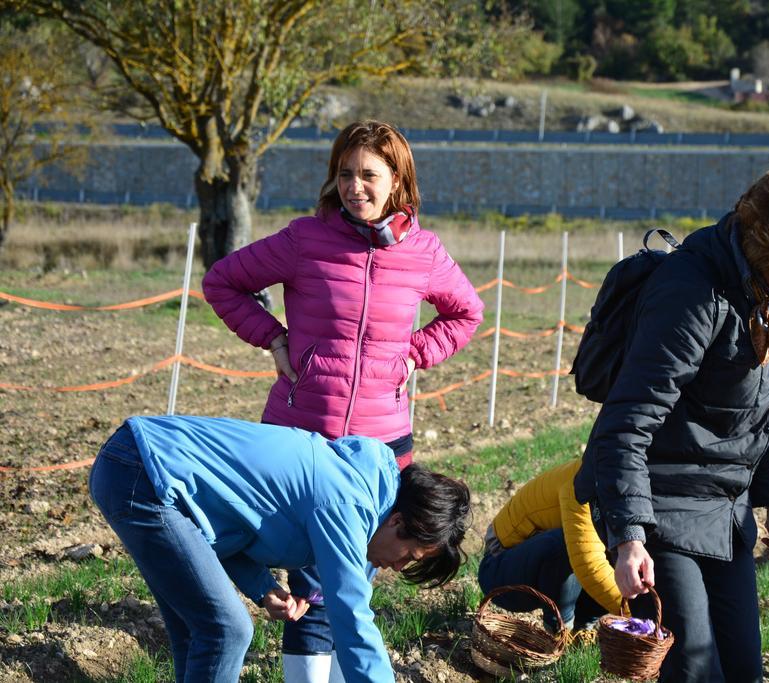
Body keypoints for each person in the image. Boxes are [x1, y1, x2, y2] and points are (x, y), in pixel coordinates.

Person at [202, 120, 484, 680]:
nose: (356, 187)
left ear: (398, 181)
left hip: (382, 443)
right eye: (346, 174)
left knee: (348, 579)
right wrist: (273, 338)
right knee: (310, 575)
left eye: (370, 175)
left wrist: (417, 352)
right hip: (302, 432)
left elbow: (467, 312)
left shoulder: (424, 253)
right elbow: (222, 281)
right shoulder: (305, 240)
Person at [574, 161, 769, 682]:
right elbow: (625, 424)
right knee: (693, 668)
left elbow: (763, 412)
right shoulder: (691, 293)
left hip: (725, 510)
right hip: (660, 503)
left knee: (742, 670)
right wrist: (629, 537)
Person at [89, 415, 470, 683]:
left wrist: (261, 585)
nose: (398, 567)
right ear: (399, 521)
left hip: (142, 468)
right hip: (143, 473)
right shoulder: (347, 502)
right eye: (409, 556)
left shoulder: (361, 491)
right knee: (226, 629)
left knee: (198, 631)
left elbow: (225, 519)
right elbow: (351, 617)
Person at [478, 459, 621, 635]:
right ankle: (559, 630)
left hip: (546, 569)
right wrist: (638, 611)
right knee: (565, 544)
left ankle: (582, 626)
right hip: (501, 569)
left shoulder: (630, 490)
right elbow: (589, 563)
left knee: (626, 549)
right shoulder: (583, 482)